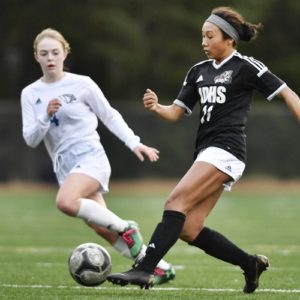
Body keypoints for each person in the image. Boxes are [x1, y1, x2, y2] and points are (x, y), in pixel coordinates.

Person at [107, 6, 300, 293]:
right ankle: (250, 264)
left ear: (229, 39)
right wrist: (157, 106)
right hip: (207, 152)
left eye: (210, 36)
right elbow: (176, 113)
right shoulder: (197, 72)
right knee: (189, 229)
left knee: (175, 203)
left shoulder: (246, 67)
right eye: (202, 36)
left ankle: (144, 269)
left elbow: (288, 93)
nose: (204, 42)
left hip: (227, 149)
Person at [20, 28, 176, 285]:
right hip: (65, 168)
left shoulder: (82, 83)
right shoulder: (30, 93)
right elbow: (31, 139)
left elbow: (109, 115)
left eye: (55, 52)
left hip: (90, 157)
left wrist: (134, 142)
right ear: (36, 56)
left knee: (66, 202)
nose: (50, 58)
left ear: (65, 53)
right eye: (44, 53)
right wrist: (45, 116)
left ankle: (128, 228)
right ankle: (159, 268)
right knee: (102, 226)